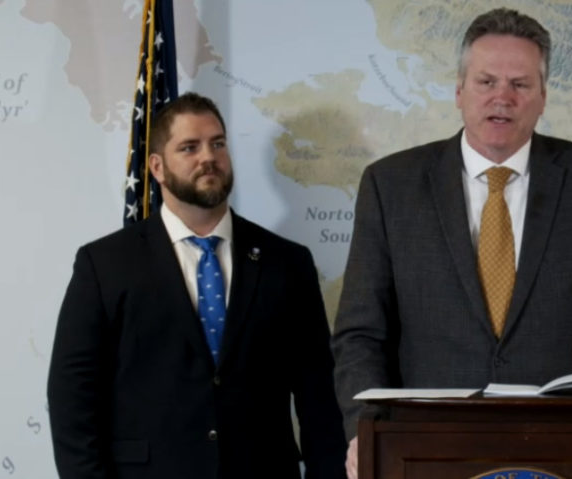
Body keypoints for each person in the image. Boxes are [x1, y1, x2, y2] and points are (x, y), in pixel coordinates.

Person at [332, 8, 572, 479]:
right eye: (487, 82)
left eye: (520, 85)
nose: (502, 98)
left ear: (543, 96)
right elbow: (360, 335)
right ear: (459, 91)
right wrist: (361, 432)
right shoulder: (392, 185)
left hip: (567, 450)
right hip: (427, 449)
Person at [47, 92, 347, 479]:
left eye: (217, 143)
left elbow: (318, 394)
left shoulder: (287, 263)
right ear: (157, 166)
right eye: (189, 147)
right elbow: (72, 398)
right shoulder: (104, 265)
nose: (208, 157)